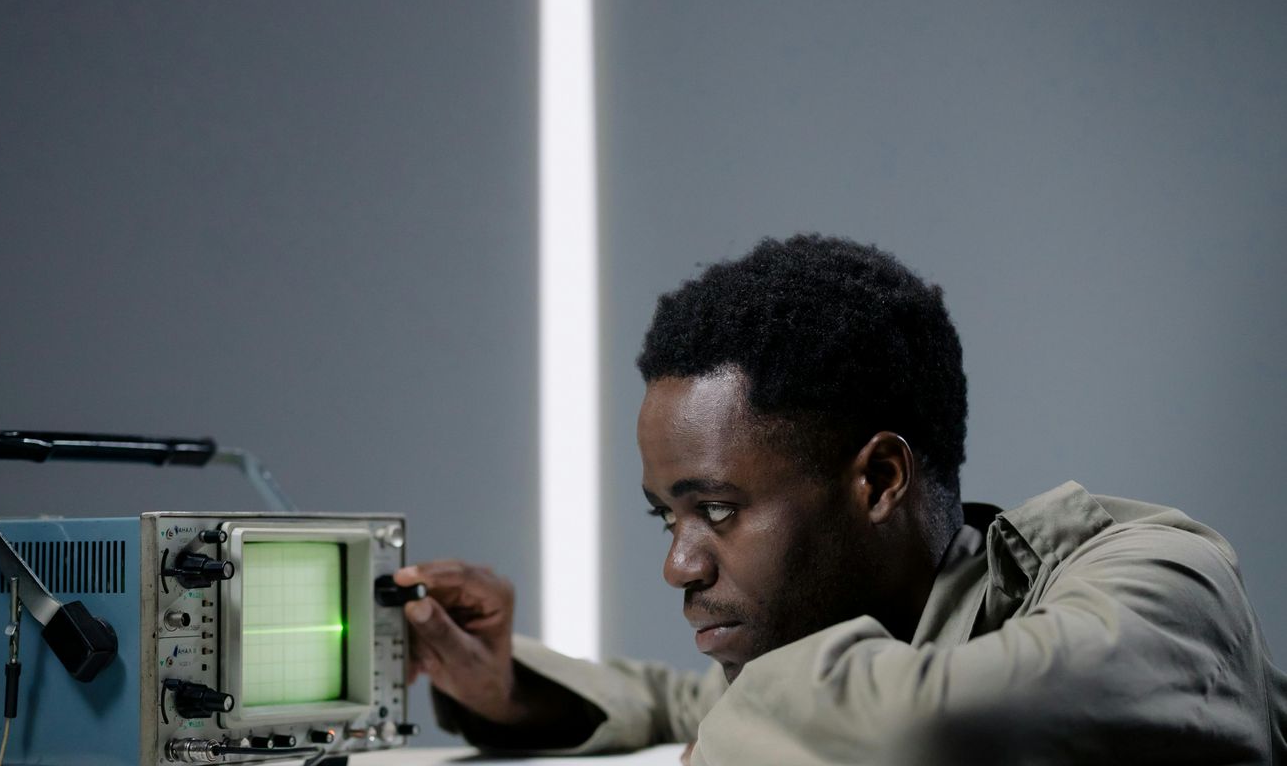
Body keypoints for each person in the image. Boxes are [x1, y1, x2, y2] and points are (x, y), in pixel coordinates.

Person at [392, 234, 1287, 764]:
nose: (678, 565)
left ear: (880, 480)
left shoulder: (1164, 581)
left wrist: (740, 729)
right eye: (666, 516)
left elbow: (935, 728)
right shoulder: (843, 641)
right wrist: (502, 688)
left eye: (718, 510)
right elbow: (680, 704)